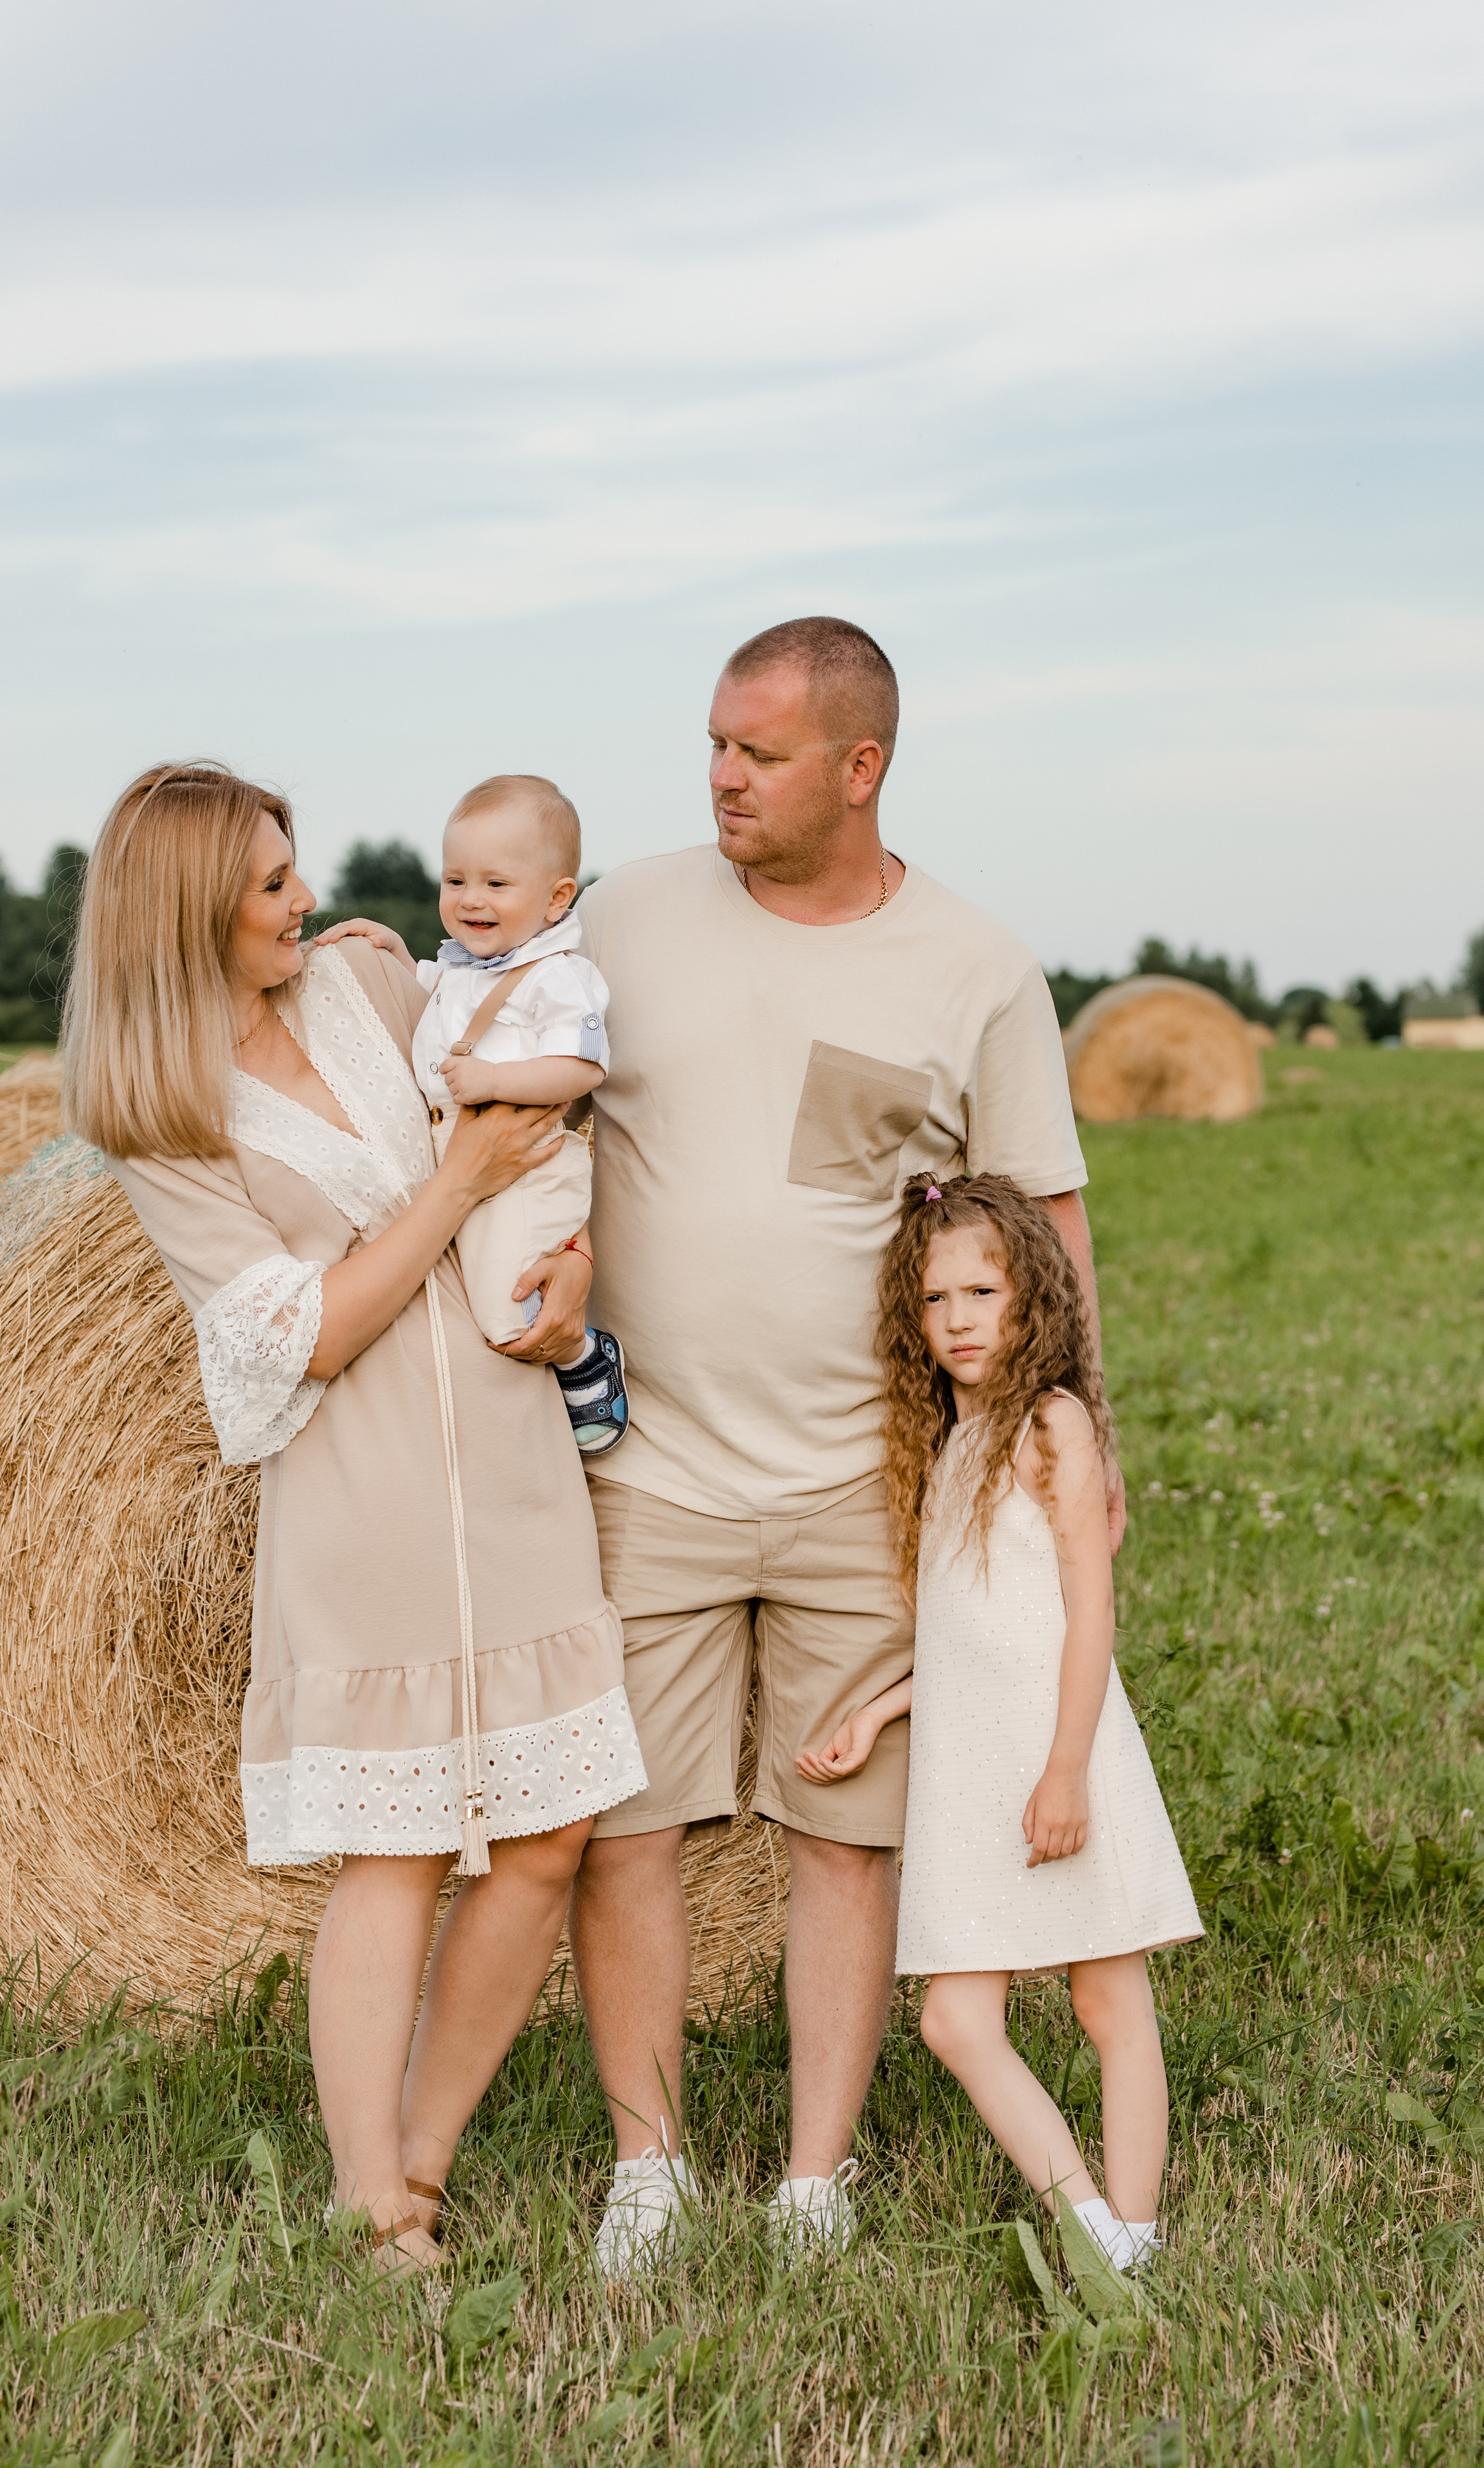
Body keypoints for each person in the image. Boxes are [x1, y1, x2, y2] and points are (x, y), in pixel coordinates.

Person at [567, 616, 1116, 2275]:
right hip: (642, 1467)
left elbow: (1050, 1222)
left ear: (860, 767)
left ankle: (816, 2179)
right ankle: (646, 2168)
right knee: (629, 1831)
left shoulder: (974, 969)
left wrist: (1079, 1455)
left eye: (760, 753)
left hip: (868, 1486)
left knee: (846, 1838)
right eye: (716, 744)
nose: (720, 776)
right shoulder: (630, 915)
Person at [59, 761, 646, 2273]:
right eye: (267, 883)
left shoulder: (370, 986)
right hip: (358, 1502)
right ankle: (366, 2199)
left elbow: (529, 1086)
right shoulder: (160, 1113)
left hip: (517, 1466)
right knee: (390, 1854)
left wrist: (568, 1263)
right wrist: (452, 1184)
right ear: (188, 907)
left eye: (291, 869)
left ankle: (423, 2153)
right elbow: (303, 1328)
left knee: (549, 1833)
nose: (302, 896)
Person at [800, 1174, 1201, 2270]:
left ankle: (1132, 2232)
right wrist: (878, 1713)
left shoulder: (1051, 1424)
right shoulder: (948, 1443)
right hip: (971, 1767)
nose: (961, 1318)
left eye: (984, 1290)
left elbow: (1084, 1616)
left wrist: (1067, 1769)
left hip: (1055, 1746)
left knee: (1109, 1999)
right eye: (937, 1300)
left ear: (1035, 1298)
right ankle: (1094, 2225)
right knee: (954, 2021)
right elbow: (973, 1631)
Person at [411, 773, 629, 1453]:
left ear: (557, 896)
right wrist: (381, 946)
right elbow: (410, 986)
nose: (471, 900)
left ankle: (585, 1359)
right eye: (455, 881)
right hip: (471, 1168)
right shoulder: (463, 967)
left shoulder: (556, 975)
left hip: (530, 1168)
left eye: (496, 885)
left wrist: (493, 1078)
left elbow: (583, 1066)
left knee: (506, 1315)